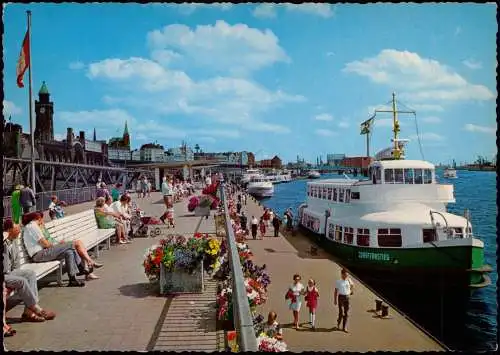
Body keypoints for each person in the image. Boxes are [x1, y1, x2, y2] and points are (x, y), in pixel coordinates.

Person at [3, 219, 57, 322]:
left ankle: (28, 312)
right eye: (17, 229)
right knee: (22, 281)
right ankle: (37, 309)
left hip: (10, 272)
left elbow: (16, 264)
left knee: (30, 274)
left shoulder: (13, 241)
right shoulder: (4, 243)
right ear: (9, 230)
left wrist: (15, 274)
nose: (19, 231)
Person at [22, 212, 88, 287]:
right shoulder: (32, 226)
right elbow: (46, 244)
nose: (43, 222)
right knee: (72, 244)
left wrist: (58, 245)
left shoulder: (31, 226)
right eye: (42, 219)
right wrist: (57, 245)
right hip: (39, 254)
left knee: (69, 252)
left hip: (42, 253)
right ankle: (80, 267)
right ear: (39, 218)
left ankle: (72, 279)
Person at [334, 268, 354, 332]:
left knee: (346, 313)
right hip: (341, 297)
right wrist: (335, 300)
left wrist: (351, 291)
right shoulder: (338, 281)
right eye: (345, 275)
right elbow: (336, 291)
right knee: (341, 313)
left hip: (347, 297)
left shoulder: (349, 280)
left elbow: (352, 285)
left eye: (347, 275)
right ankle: (338, 323)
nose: (346, 276)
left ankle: (344, 327)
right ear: (342, 274)